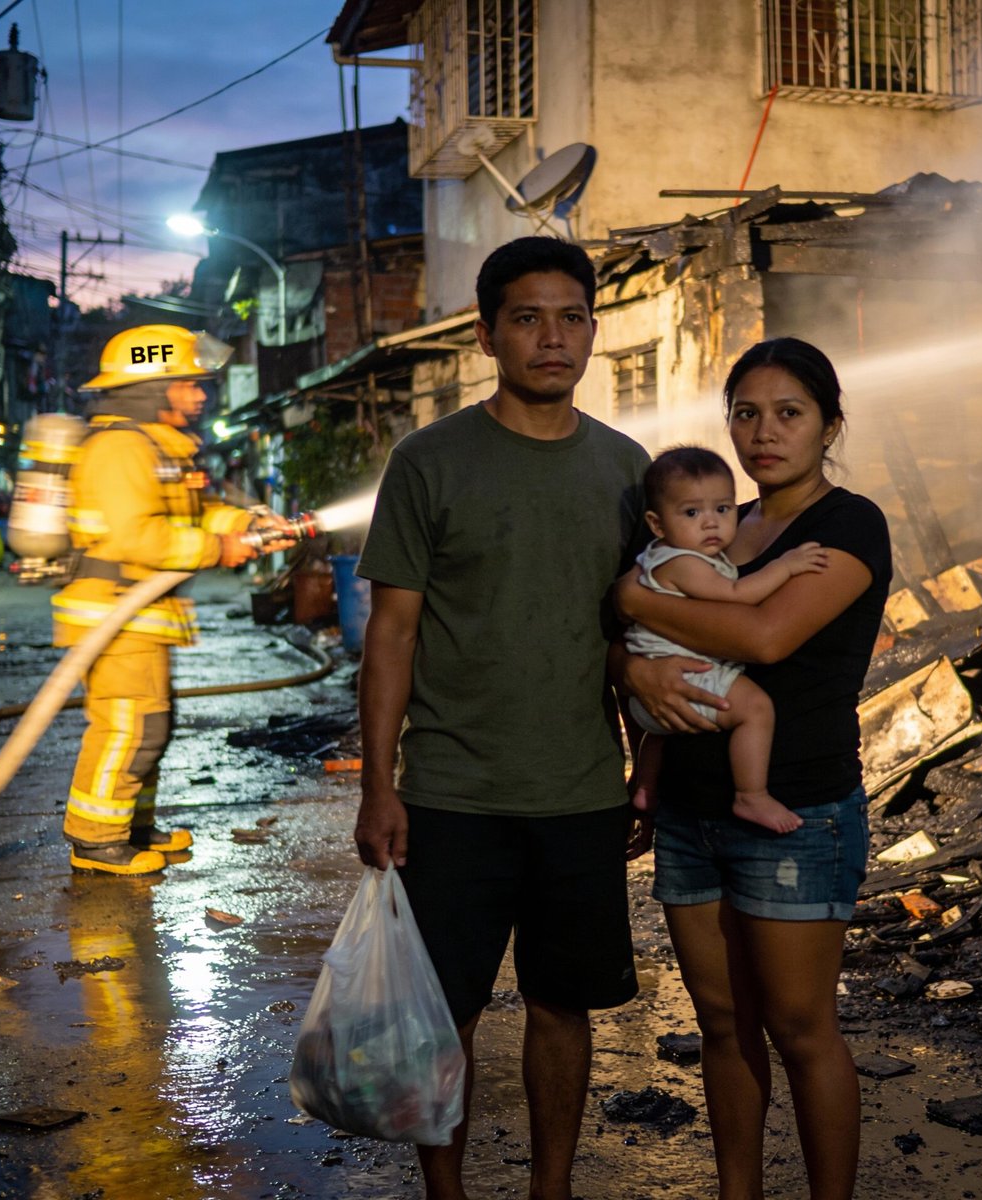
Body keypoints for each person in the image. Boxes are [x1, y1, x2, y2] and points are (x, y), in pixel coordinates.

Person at [352, 236, 651, 1200]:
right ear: (487, 335)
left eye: (571, 318)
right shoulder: (429, 461)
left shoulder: (627, 468)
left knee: (565, 1007)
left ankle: (550, 1190)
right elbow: (390, 636)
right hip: (451, 793)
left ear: (593, 333)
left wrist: (644, 763)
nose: (552, 338)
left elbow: (634, 634)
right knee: (447, 1015)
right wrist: (377, 785)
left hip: (576, 790)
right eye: (527, 318)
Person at [617, 338, 891, 1200]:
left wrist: (630, 600)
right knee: (723, 1026)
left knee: (802, 1028)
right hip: (693, 812)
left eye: (789, 413)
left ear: (829, 424)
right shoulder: (722, 523)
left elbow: (766, 637)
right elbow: (639, 647)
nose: (763, 432)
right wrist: (633, 665)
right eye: (745, 412)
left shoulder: (848, 526)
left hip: (799, 810)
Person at [54, 324, 289, 876]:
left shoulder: (157, 449)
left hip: (139, 613)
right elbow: (133, 536)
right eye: (188, 383)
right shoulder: (119, 450)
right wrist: (219, 547)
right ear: (152, 386)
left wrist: (252, 524)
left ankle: (130, 826)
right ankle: (95, 840)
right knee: (129, 727)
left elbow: (196, 512)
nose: (201, 394)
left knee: (151, 723)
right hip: (114, 612)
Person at [624, 445, 828, 834]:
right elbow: (738, 596)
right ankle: (751, 794)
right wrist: (785, 566)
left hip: (654, 694)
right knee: (756, 709)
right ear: (656, 523)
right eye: (691, 513)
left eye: (723, 509)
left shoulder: (663, 555)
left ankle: (646, 788)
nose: (711, 523)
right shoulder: (683, 563)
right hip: (682, 677)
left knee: (662, 734)